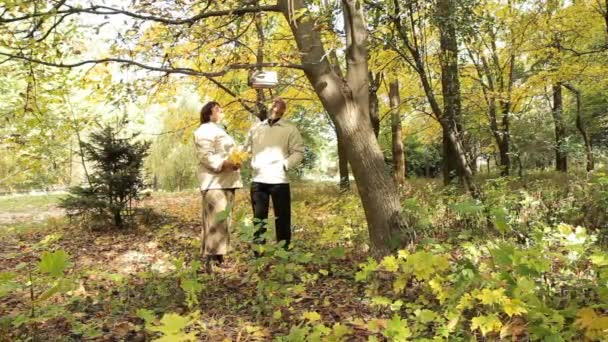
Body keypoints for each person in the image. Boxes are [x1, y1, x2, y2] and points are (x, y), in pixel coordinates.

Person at [245, 97, 304, 251]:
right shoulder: (256, 128)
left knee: (283, 219)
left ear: (284, 110)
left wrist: (285, 165)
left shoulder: (290, 129)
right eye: (274, 102)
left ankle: (284, 252)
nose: (276, 104)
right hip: (258, 179)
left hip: (279, 180)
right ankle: (258, 252)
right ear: (269, 106)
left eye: (281, 103)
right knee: (259, 219)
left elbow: (298, 152)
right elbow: (245, 148)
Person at [194, 101, 242, 273]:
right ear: (208, 113)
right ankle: (212, 260)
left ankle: (219, 257)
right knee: (216, 220)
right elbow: (205, 156)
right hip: (214, 182)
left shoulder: (219, 130)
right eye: (217, 109)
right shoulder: (204, 131)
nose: (221, 111)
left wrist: (237, 159)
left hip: (227, 181)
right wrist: (225, 163)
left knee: (224, 219)